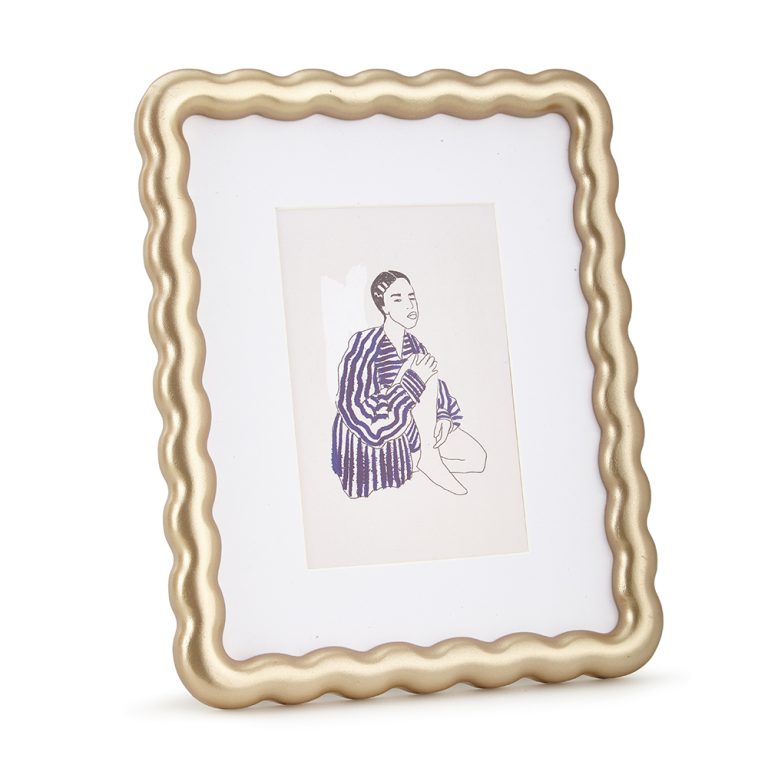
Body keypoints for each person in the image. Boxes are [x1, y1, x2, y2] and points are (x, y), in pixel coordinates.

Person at [331, 269, 486, 499]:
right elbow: (354, 408)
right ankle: (427, 460)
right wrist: (412, 382)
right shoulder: (364, 344)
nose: (409, 305)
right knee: (418, 366)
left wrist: (443, 416)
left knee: (477, 459)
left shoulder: (415, 345)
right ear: (384, 307)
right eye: (398, 299)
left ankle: (419, 462)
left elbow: (438, 390)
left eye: (411, 297)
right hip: (378, 433)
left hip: (415, 430)